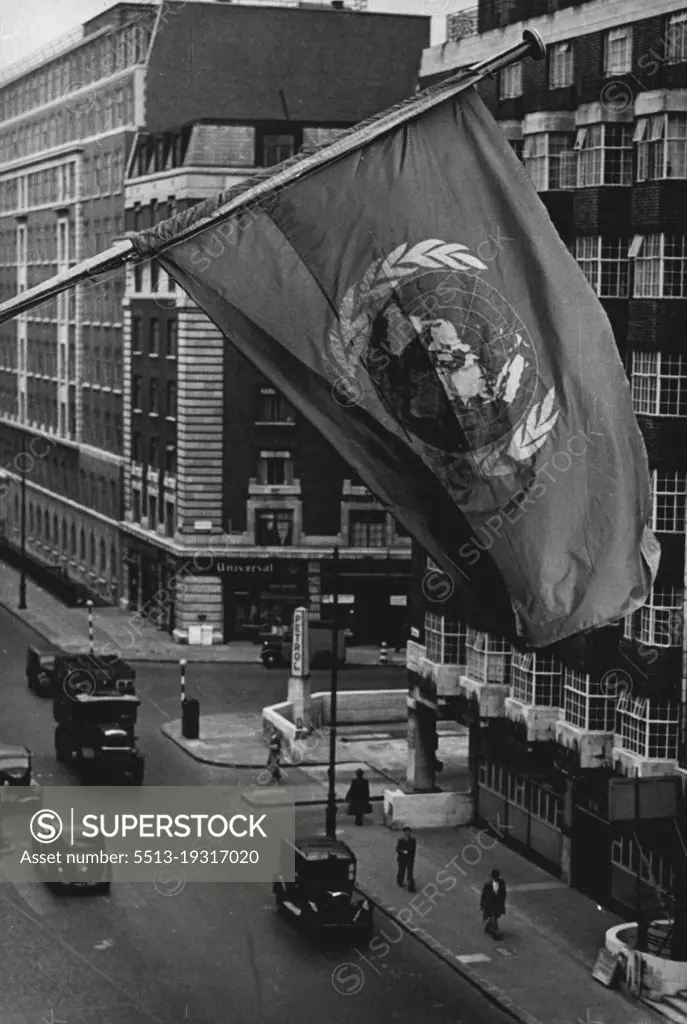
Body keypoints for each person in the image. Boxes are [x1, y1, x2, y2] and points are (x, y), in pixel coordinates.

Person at [480, 868, 507, 937]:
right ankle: (494, 930)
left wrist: (482, 904)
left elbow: (503, 893)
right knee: (494, 916)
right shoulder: (488, 884)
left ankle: (489, 927)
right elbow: (484, 895)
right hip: (491, 904)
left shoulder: (500, 883)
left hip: (496, 903)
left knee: (496, 916)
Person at [396, 826, 416, 892]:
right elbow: (397, 849)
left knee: (410, 873)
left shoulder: (413, 840)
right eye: (406, 832)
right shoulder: (401, 840)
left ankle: (411, 886)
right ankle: (400, 881)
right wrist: (402, 851)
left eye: (408, 832)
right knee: (401, 871)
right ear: (404, 832)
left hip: (409, 859)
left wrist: (412, 858)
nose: (407, 833)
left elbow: (413, 850)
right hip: (402, 859)